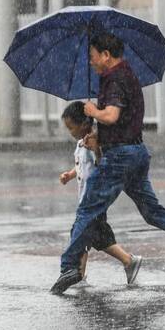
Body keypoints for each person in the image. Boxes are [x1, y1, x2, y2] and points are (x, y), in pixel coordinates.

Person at [50, 32, 165, 294]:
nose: (90, 62)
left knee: (87, 210)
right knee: (153, 212)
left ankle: (69, 266)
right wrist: (100, 138)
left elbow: (112, 115)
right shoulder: (125, 75)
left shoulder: (116, 79)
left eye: (93, 57)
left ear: (106, 55)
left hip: (121, 157)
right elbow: (122, 122)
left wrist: (93, 112)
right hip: (136, 153)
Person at [57, 101, 142, 288]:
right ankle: (127, 261)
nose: (70, 132)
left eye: (71, 127)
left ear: (85, 124)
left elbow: (102, 165)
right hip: (87, 200)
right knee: (95, 237)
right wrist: (70, 175)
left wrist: (96, 149)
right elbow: (81, 166)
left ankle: (78, 273)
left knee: (80, 235)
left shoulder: (95, 141)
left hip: (94, 199)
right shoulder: (80, 144)